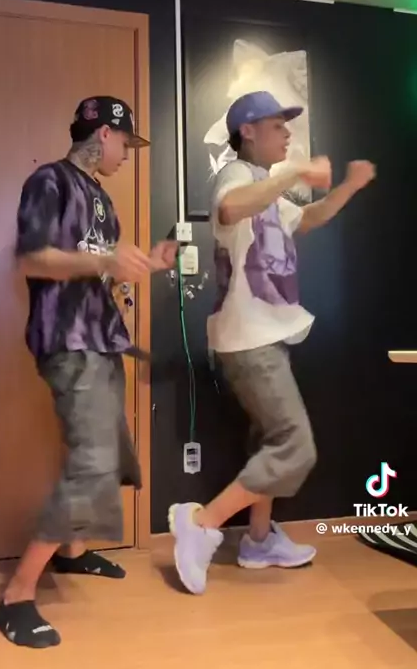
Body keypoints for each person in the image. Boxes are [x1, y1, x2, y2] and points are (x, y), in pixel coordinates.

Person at [168, 90, 375, 595]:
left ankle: (259, 541)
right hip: (249, 339)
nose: (286, 135)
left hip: (265, 335)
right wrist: (296, 172)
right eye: (278, 126)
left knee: (268, 441)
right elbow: (231, 207)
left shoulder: (266, 189)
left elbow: (309, 218)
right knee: (294, 446)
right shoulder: (236, 176)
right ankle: (200, 523)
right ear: (248, 131)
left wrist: (348, 186)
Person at [0, 96, 177, 648]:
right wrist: (104, 261)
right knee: (93, 463)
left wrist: (143, 266)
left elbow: (103, 269)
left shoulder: (103, 199)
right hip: (67, 343)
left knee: (105, 453)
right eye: (126, 143)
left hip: (101, 342)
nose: (128, 155)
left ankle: (71, 552)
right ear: (103, 134)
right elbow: (32, 258)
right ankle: (17, 595)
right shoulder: (48, 182)